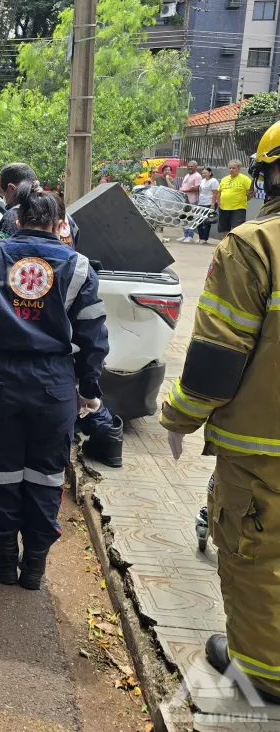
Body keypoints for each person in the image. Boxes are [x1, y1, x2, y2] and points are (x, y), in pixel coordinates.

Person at [0, 182, 108, 590]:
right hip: (53, 383)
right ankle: (34, 565)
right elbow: (93, 336)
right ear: (58, 223)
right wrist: (89, 386)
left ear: (17, 219)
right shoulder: (78, 266)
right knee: (47, 474)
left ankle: (2, 554)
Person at [159, 121, 280, 705]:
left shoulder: (255, 246)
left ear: (267, 174)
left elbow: (215, 362)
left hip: (266, 450)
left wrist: (177, 418)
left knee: (256, 555)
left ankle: (262, 673)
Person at [0, 162, 79, 248]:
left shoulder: (13, 215)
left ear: (11, 188)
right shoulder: (64, 214)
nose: (4, 199)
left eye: (2, 193)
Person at [217, 159, 254, 239]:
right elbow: (219, 192)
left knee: (236, 229)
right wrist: (219, 202)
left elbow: (253, 190)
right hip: (224, 208)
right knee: (224, 229)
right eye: (230, 168)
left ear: (239, 168)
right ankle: (224, 246)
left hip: (238, 208)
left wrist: (246, 199)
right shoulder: (224, 179)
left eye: (233, 168)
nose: (231, 170)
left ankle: (234, 247)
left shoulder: (244, 179)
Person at [177, 160, 203, 243]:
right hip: (184, 200)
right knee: (184, 218)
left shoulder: (197, 176)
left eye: (192, 166)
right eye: (189, 166)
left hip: (192, 200)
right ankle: (185, 234)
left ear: (196, 167)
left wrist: (185, 190)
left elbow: (197, 188)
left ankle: (190, 236)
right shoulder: (187, 175)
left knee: (191, 218)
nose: (190, 167)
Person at [197, 167, 219, 244]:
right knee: (199, 221)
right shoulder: (203, 181)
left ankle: (205, 238)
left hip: (209, 203)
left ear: (210, 172)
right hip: (201, 203)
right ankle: (200, 237)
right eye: (203, 173)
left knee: (207, 222)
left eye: (205, 173)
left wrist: (213, 204)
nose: (204, 174)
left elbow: (215, 193)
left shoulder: (213, 181)